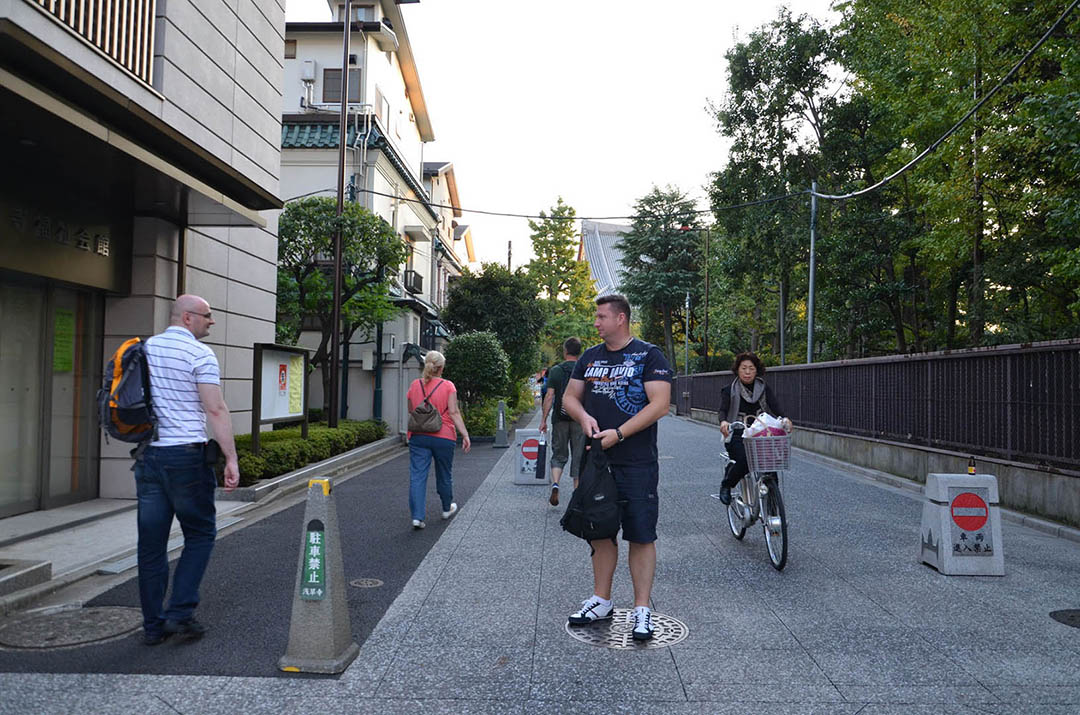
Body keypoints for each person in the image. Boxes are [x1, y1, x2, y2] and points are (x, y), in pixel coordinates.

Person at [561, 294, 672, 641]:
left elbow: (660, 404)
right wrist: (583, 416)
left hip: (637, 462)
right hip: (597, 461)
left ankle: (642, 609)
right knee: (599, 530)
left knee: (641, 533)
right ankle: (601, 600)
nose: (596, 322)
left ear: (621, 318)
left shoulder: (649, 355)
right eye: (596, 317)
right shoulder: (589, 357)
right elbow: (569, 397)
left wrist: (620, 433)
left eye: (601, 316)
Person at [136, 294, 239, 646]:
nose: (212, 321)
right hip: (186, 457)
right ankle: (180, 611)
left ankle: (153, 627)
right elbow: (215, 409)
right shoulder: (199, 354)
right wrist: (231, 458)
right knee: (200, 533)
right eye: (207, 315)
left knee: (151, 545)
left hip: (149, 457)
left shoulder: (144, 350)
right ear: (187, 318)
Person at [717, 352, 793, 505]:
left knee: (770, 464)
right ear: (737, 370)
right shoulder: (729, 390)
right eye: (743, 368)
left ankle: (774, 511)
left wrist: (785, 419)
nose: (747, 372)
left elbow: (775, 407)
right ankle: (727, 484)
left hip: (761, 432)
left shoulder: (764, 388)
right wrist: (724, 422)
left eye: (751, 368)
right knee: (746, 459)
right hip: (738, 432)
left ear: (756, 370)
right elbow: (722, 410)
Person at [406, 350, 471, 529]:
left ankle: (417, 517)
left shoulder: (415, 385)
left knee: (417, 476)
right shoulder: (448, 386)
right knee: (444, 473)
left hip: (418, 435)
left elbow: (411, 410)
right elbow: (454, 412)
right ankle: (446, 508)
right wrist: (465, 434)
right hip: (444, 435)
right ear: (441, 368)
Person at [540, 337, 586, 506]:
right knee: (579, 456)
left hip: (559, 419)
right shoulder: (584, 369)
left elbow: (549, 396)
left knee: (559, 455)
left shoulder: (556, 370)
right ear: (579, 352)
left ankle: (556, 484)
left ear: (565, 351)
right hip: (579, 418)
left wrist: (543, 420)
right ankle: (577, 494)